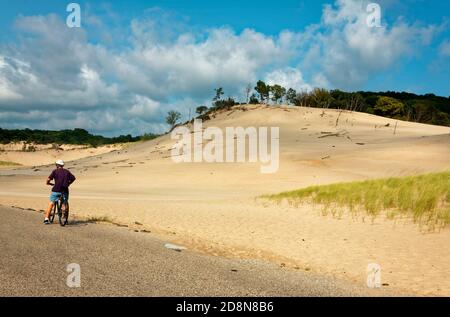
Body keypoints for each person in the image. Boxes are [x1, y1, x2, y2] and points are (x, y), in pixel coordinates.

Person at [44, 160, 76, 225]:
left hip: (56, 190)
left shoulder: (55, 171)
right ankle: (64, 217)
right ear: (62, 165)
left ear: (57, 165)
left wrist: (48, 183)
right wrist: (69, 183)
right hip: (64, 190)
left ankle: (46, 219)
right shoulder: (67, 171)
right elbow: (73, 178)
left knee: (51, 203)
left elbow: (48, 179)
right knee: (64, 202)